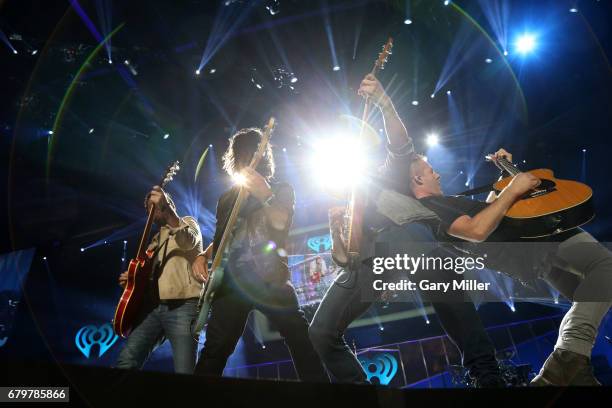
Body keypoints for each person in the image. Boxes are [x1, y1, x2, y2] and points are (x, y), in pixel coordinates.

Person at [308, 74, 504, 387]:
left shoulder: (385, 176)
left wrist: (384, 101)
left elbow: (401, 146)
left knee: (453, 305)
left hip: (409, 238)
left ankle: (488, 376)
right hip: (371, 261)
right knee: (320, 331)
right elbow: (346, 259)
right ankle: (359, 390)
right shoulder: (346, 205)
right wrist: (336, 228)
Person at [407, 149, 612, 385]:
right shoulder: (433, 206)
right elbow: (477, 230)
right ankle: (568, 356)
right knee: (606, 266)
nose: (438, 175)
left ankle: (551, 379)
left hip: (531, 252)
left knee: (592, 297)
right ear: (418, 179)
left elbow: (489, 216)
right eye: (431, 171)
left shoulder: (441, 206)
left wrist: (504, 176)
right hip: (541, 237)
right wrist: (513, 187)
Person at [191, 128, 328, 382]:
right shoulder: (227, 198)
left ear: (262, 156)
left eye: (251, 152)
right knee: (215, 351)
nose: (246, 159)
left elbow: (281, 222)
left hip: (268, 275)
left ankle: (323, 399)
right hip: (232, 281)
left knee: (301, 340)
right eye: (241, 154)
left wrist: (265, 193)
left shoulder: (280, 190)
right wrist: (203, 255)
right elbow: (223, 238)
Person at [115, 186, 203, 374]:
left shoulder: (187, 222)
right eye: (149, 208)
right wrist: (132, 280)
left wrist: (169, 212)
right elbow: (148, 278)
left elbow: (188, 241)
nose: (153, 211)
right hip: (153, 309)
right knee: (126, 362)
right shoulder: (154, 240)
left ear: (168, 205)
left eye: (157, 206)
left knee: (185, 371)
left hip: (184, 306)